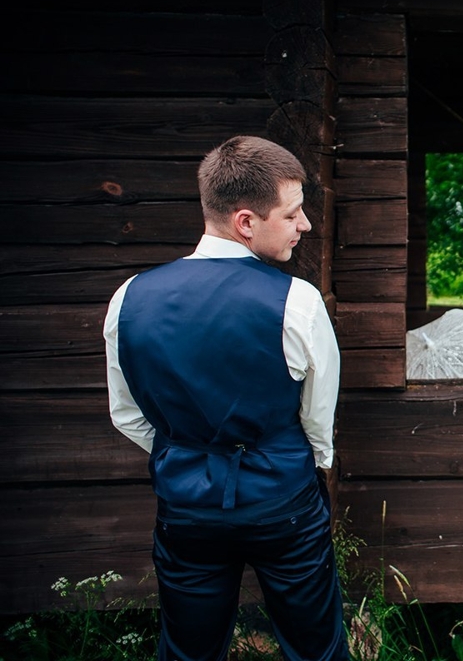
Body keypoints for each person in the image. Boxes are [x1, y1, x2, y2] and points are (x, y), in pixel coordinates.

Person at [104, 136, 349, 660]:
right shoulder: (298, 301)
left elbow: (127, 414)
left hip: (185, 504)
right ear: (245, 222)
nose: (304, 225)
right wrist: (308, 471)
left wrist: (187, 454)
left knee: (190, 651)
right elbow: (318, 422)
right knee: (315, 649)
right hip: (284, 502)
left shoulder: (129, 297)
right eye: (293, 213)